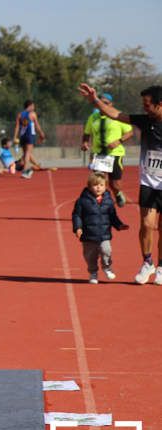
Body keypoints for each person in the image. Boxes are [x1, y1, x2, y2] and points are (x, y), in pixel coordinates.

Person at [79, 83, 162, 285]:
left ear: (160, 105)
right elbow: (116, 114)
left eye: (148, 104)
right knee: (146, 224)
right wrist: (95, 100)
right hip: (150, 181)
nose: (144, 108)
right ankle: (147, 262)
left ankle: (161, 267)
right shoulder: (146, 121)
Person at [72, 172, 129, 284]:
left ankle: (107, 267)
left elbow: (113, 216)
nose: (98, 187)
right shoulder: (82, 201)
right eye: (95, 185)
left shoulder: (108, 201)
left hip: (104, 234)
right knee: (90, 256)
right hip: (88, 235)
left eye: (101, 185)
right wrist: (78, 228)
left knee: (106, 250)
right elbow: (77, 215)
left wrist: (119, 225)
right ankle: (93, 272)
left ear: (105, 186)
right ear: (89, 186)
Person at [82, 93, 133, 207]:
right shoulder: (93, 117)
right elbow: (87, 133)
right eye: (100, 103)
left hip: (114, 154)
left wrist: (118, 141)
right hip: (98, 154)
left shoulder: (117, 116)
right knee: (98, 182)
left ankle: (118, 193)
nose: (102, 105)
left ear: (111, 104)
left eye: (106, 103)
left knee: (114, 184)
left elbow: (130, 132)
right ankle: (99, 205)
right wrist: (85, 143)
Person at [13, 100, 45, 178]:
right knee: (27, 152)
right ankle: (25, 170)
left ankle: (20, 165)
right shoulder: (32, 114)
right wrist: (41, 134)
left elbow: (17, 127)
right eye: (33, 106)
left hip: (22, 136)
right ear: (30, 106)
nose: (34, 108)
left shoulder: (19, 115)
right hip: (30, 135)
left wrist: (15, 137)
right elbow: (37, 126)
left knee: (26, 153)